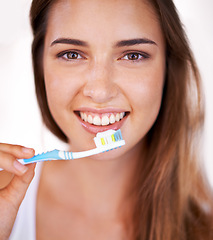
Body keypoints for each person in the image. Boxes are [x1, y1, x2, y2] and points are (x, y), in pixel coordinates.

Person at [0, 0, 213, 239]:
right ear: (40, 67)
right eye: (72, 54)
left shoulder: (206, 228)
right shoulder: (3, 198)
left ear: (167, 68)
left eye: (133, 56)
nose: (100, 91)